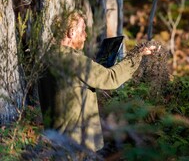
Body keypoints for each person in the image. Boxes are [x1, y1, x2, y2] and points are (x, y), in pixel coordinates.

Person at [38, 10, 157, 152]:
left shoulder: (45, 59)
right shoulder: (75, 61)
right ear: (71, 33)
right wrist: (137, 55)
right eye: (82, 30)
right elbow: (111, 78)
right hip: (77, 143)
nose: (85, 36)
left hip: (56, 141)